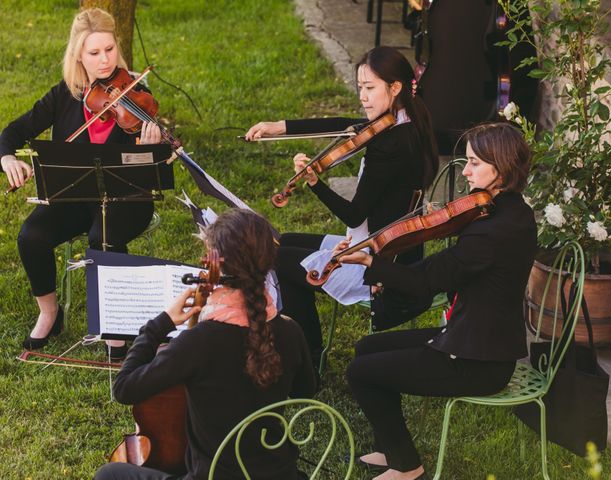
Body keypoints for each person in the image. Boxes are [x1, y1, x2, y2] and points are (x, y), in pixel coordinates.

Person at [339, 122, 537, 480]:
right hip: (474, 338)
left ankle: (407, 466)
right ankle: (390, 444)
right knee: (367, 348)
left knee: (360, 373)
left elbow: (425, 281)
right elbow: (451, 261)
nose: (465, 170)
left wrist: (372, 261)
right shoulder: (513, 212)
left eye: (475, 163)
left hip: (476, 360)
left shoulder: (490, 233)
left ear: (502, 168)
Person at [245, 46, 439, 366]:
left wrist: (314, 183)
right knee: (285, 240)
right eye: (359, 87)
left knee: (278, 259)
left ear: (395, 88)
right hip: (393, 246)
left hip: (378, 263)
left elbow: (354, 214)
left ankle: (306, 357)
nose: (362, 97)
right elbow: (343, 124)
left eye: (370, 88)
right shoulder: (404, 120)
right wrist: (278, 126)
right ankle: (303, 347)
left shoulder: (389, 146)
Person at [94, 209, 316, 480]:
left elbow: (124, 388)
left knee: (110, 474)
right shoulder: (290, 330)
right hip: (280, 475)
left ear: (217, 267)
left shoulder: (198, 343)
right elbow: (306, 390)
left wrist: (159, 325)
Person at [0, 8, 162, 353]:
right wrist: (8, 157)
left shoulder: (135, 93)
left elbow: (151, 167)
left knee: (101, 238)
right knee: (31, 236)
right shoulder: (65, 95)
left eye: (109, 49)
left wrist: (149, 148)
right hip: (75, 197)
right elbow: (13, 131)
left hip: (126, 199)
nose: (105, 61)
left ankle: (115, 324)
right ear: (78, 56)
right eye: (94, 53)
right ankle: (50, 313)